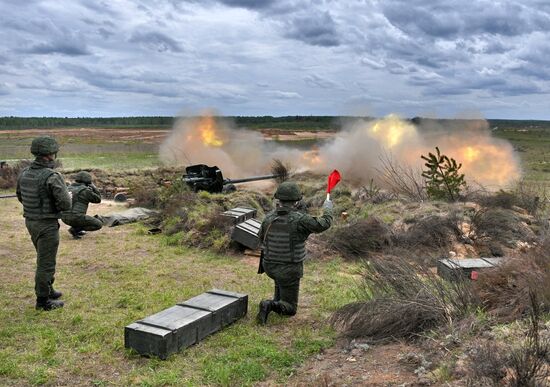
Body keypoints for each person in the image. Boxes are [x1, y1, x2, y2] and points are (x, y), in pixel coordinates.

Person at [257, 181, 333, 325]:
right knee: (290, 309)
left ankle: (276, 300)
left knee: (281, 282)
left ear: (278, 199)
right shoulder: (300, 219)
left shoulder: (268, 217)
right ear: (297, 200)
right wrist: (328, 207)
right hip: (289, 269)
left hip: (269, 266)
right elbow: (324, 223)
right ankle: (270, 305)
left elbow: (260, 238)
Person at [16, 136, 71, 311]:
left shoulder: (24, 173)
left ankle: (48, 289)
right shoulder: (52, 176)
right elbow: (65, 204)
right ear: (49, 154)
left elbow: (20, 196)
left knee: (43, 258)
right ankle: (43, 301)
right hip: (46, 224)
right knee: (46, 263)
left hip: (31, 222)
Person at [61, 171, 103, 239]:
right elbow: (98, 199)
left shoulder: (68, 188)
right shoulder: (85, 191)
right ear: (88, 182)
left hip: (64, 217)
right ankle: (75, 230)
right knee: (98, 224)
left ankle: (75, 228)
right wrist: (94, 187)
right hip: (76, 217)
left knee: (78, 217)